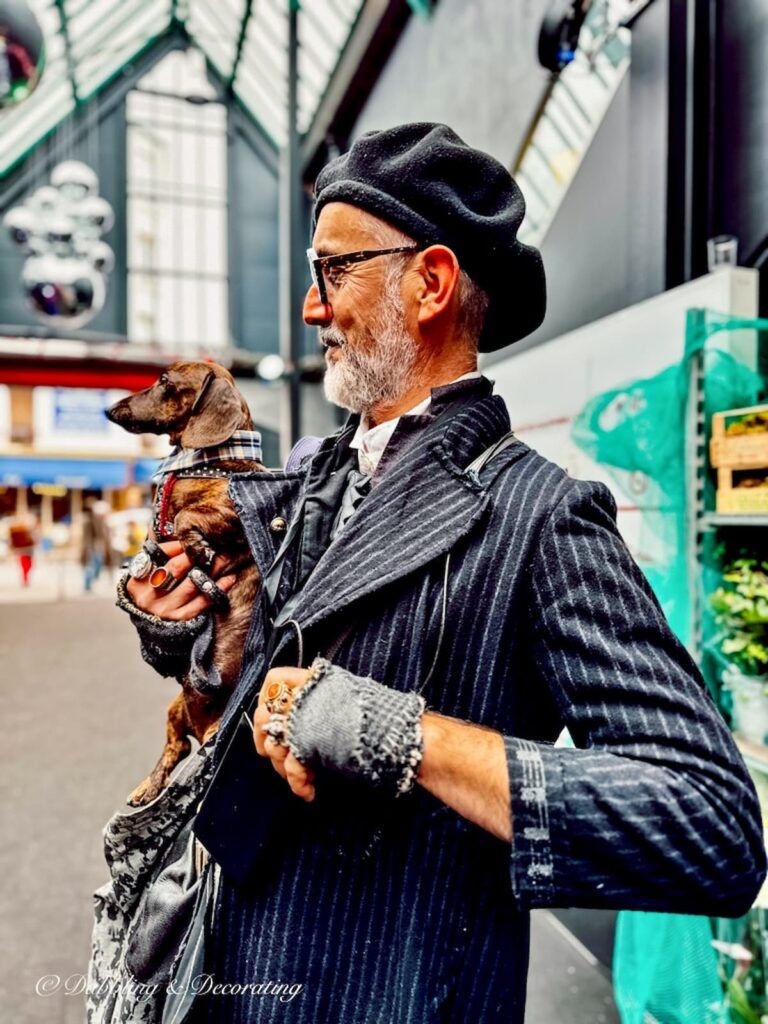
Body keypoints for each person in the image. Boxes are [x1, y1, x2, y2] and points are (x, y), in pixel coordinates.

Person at [111, 123, 765, 1023]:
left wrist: (397, 736)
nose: (311, 307)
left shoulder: (541, 517)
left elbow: (711, 824)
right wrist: (191, 637)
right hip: (230, 972)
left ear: (429, 283)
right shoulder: (312, 482)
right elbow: (261, 695)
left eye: (334, 271)